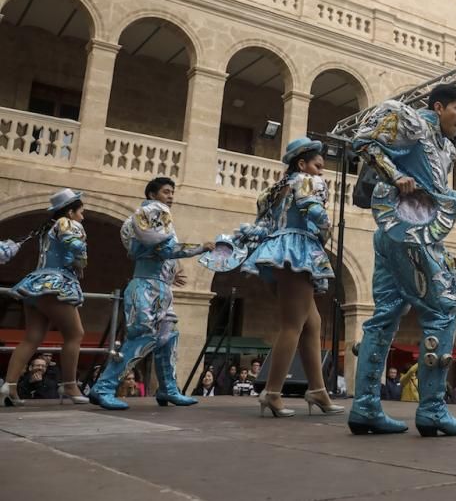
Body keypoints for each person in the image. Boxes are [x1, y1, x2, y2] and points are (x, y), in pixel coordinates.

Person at [347, 85, 456, 437]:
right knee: (443, 311)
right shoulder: (414, 124)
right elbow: (364, 143)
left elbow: (437, 193)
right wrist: (394, 175)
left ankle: (365, 407)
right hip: (414, 235)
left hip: (393, 234)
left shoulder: (444, 145)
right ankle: (432, 410)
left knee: (385, 315)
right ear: (439, 106)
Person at [239, 140, 343, 418]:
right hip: (296, 249)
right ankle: (272, 392)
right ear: (302, 164)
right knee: (292, 326)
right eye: (318, 166)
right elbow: (315, 211)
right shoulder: (305, 181)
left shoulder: (276, 189)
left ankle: (318, 390)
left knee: (312, 323)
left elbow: (264, 224)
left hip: (280, 248)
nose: (321, 172)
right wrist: (326, 229)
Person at [89, 178, 214, 411]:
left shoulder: (150, 217)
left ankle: (167, 388)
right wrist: (200, 248)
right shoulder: (154, 213)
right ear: (152, 194)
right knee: (142, 337)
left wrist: (169, 274)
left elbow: (155, 254)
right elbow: (165, 249)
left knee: (169, 336)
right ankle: (104, 387)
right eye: (166, 192)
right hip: (146, 288)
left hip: (158, 287)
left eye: (172, 192)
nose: (171, 196)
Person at [1, 189, 89, 407]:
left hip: (34, 285)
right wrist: (80, 255)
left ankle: (9, 386)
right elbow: (75, 247)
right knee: (75, 334)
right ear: (70, 212)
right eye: (81, 212)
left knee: (32, 337)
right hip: (55, 284)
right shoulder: (67, 223)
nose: (82, 217)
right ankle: (69, 385)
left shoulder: (47, 228)